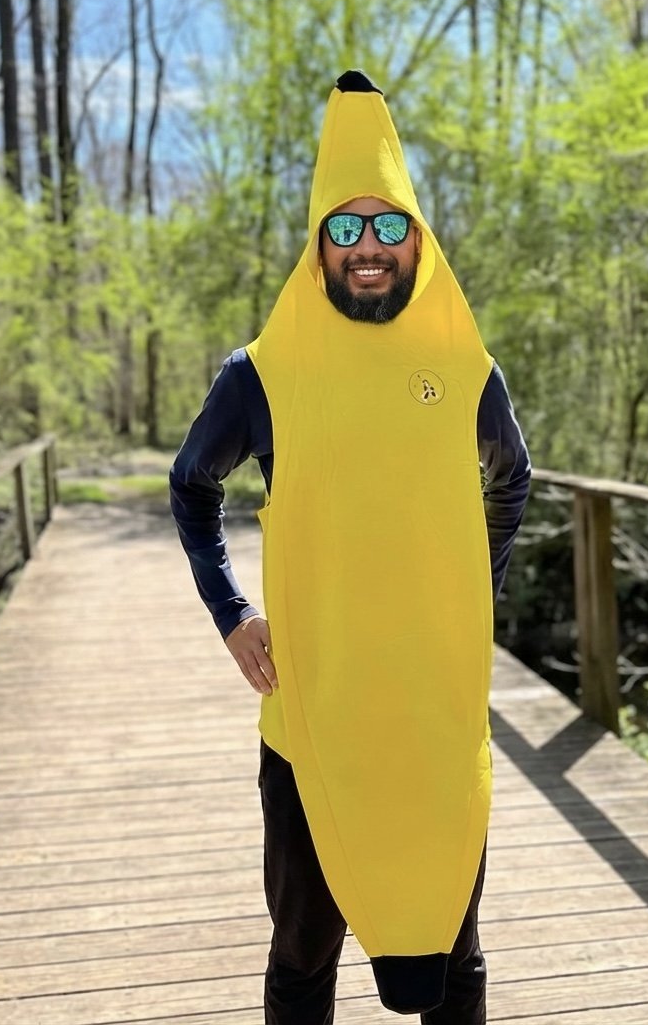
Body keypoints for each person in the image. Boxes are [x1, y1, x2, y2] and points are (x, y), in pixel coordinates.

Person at [170, 70, 530, 1024]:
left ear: (417, 237)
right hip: (314, 717)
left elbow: (514, 477)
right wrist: (232, 613)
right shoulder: (264, 372)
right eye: (343, 227)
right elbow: (192, 484)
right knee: (302, 955)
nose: (366, 248)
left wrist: (470, 594)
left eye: (385, 227)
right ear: (318, 243)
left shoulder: (461, 367)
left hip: (435, 720)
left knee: (457, 954)